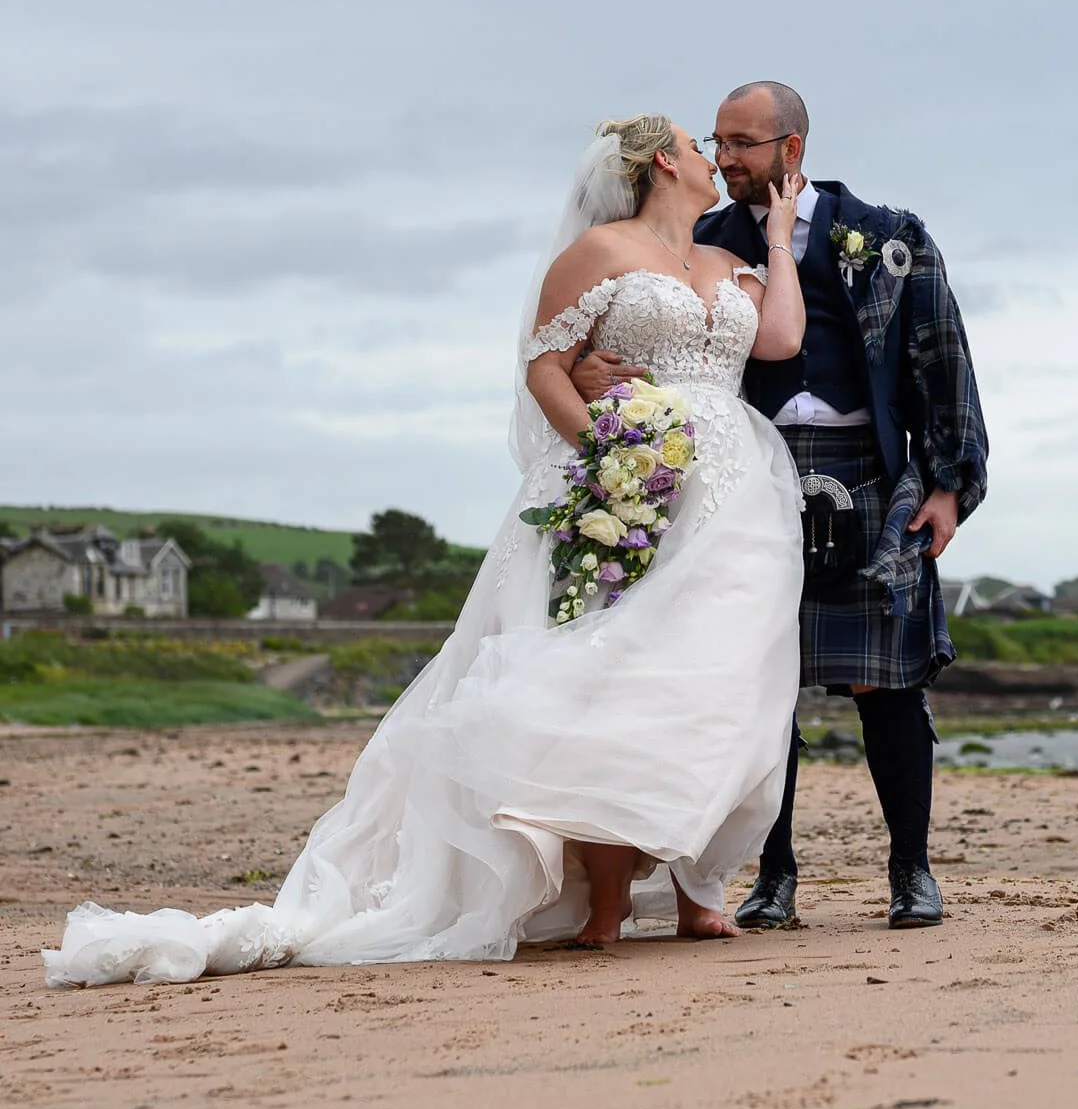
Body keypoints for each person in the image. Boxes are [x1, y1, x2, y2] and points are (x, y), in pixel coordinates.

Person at [44, 115, 807, 987]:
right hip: (627, 485)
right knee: (603, 680)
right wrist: (605, 458)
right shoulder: (599, 251)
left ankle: (700, 887)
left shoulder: (724, 262)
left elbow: (781, 339)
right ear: (664, 160)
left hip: (734, 497)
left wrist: (779, 240)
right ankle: (605, 904)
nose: (712, 154)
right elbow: (546, 367)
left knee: (712, 682)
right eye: (697, 141)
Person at [575, 82, 988, 928]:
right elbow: (653, 331)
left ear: (791, 150)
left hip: (868, 469)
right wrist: (591, 372)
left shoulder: (889, 238)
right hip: (742, 475)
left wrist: (949, 482)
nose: (724, 158)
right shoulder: (705, 240)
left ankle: (912, 870)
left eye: (741, 144)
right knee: (758, 681)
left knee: (890, 682)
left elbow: (943, 357)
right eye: (716, 143)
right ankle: (775, 876)